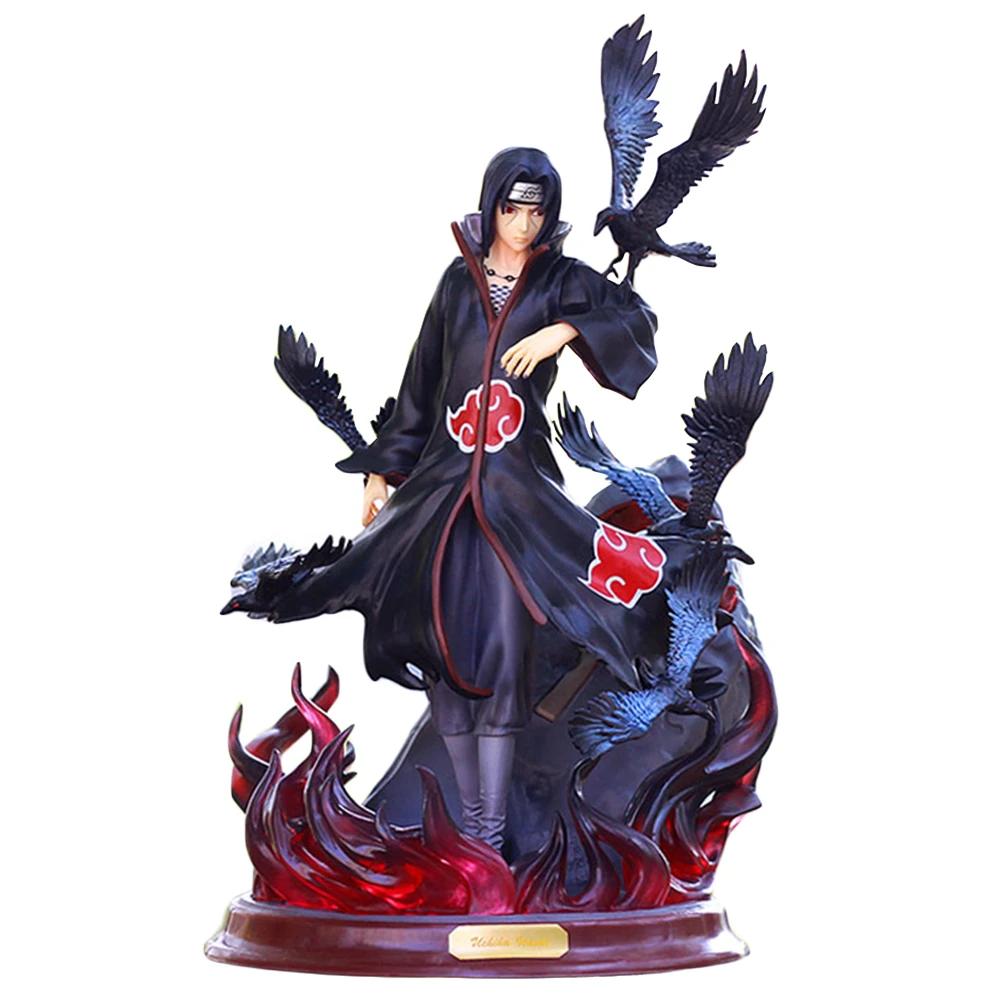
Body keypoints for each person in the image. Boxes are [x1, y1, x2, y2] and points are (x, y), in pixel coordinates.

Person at [267, 148, 662, 851]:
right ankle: (473, 841)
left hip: (518, 500)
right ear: (491, 206)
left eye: (537, 211)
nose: (524, 224)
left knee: (504, 655)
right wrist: (382, 471)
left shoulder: (560, 280)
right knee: (444, 654)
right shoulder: (457, 282)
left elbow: (635, 317)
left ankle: (488, 834)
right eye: (512, 208)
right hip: (443, 495)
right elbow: (420, 382)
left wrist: (566, 329)